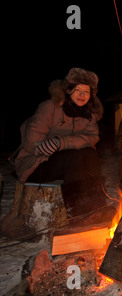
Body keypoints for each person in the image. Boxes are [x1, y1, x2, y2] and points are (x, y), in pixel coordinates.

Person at [11, 67, 112, 218]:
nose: (82, 95)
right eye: (78, 90)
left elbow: (92, 137)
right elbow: (32, 140)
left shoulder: (88, 114)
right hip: (36, 163)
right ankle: (73, 207)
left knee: (89, 153)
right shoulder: (50, 107)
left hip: (66, 162)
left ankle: (96, 203)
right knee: (75, 156)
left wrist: (62, 142)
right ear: (69, 90)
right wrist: (48, 145)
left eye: (86, 91)